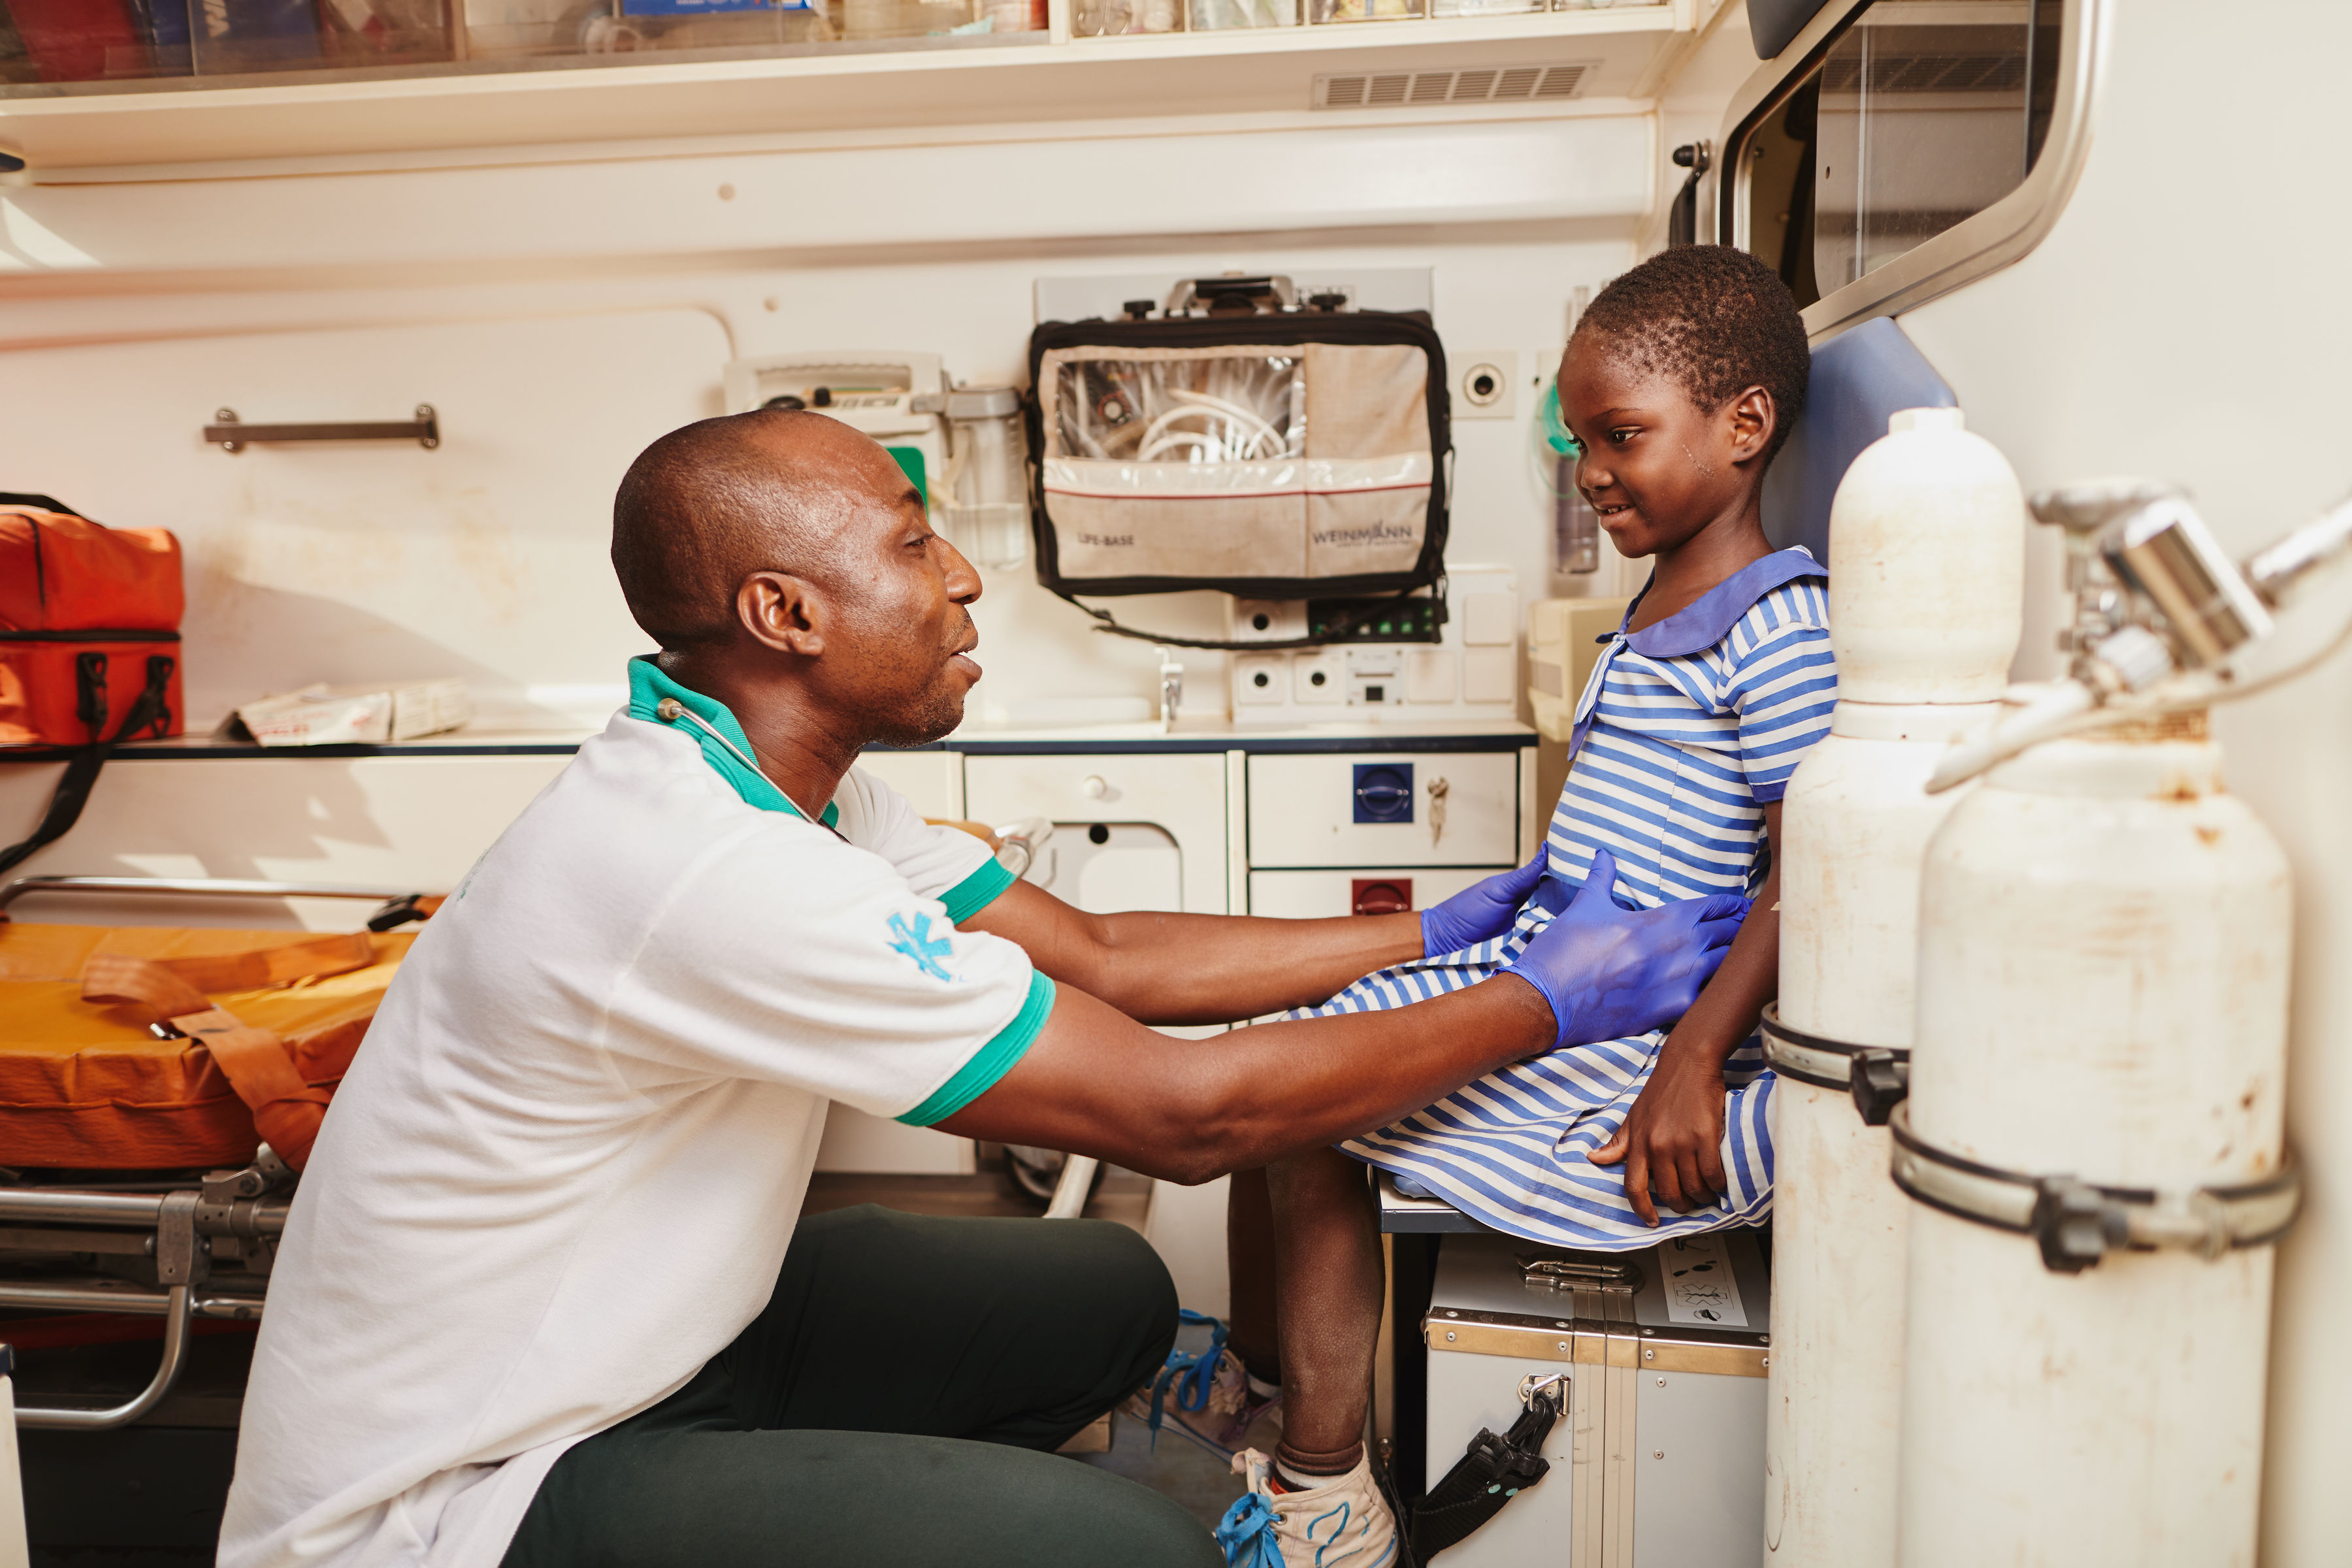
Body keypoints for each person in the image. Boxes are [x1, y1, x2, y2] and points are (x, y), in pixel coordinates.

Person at [216, 404, 1751, 1568]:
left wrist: (1438, 932)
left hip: (640, 1342)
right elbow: (1186, 1114)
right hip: (454, 1490)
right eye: (905, 542)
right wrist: (1556, 998)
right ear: (785, 615)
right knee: (1125, 1554)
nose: (959, 578)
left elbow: (1107, 955)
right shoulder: (700, 865)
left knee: (1110, 1295)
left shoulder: (786, 783)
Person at [1224, 246, 1834, 1565]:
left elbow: (1812, 875)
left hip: (1645, 1019)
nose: (1594, 472)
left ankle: (1329, 1492)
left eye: (1623, 436)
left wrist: (1691, 1059)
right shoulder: (1654, 607)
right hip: (1568, 969)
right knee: (1279, 1061)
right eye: (1579, 443)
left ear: (1745, 426)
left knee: (1311, 1107)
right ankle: (1276, 1396)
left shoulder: (1777, 627)